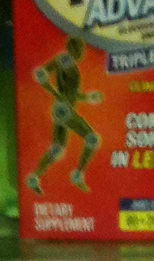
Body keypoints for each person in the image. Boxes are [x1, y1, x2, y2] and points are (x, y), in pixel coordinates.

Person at [26, 34, 103, 194]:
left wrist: (57, 94)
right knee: (92, 139)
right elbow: (69, 94)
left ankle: (34, 178)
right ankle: (77, 177)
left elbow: (42, 75)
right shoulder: (70, 67)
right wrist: (87, 97)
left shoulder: (62, 60)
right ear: (74, 49)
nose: (83, 52)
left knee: (58, 147)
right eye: (81, 48)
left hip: (59, 109)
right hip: (65, 111)